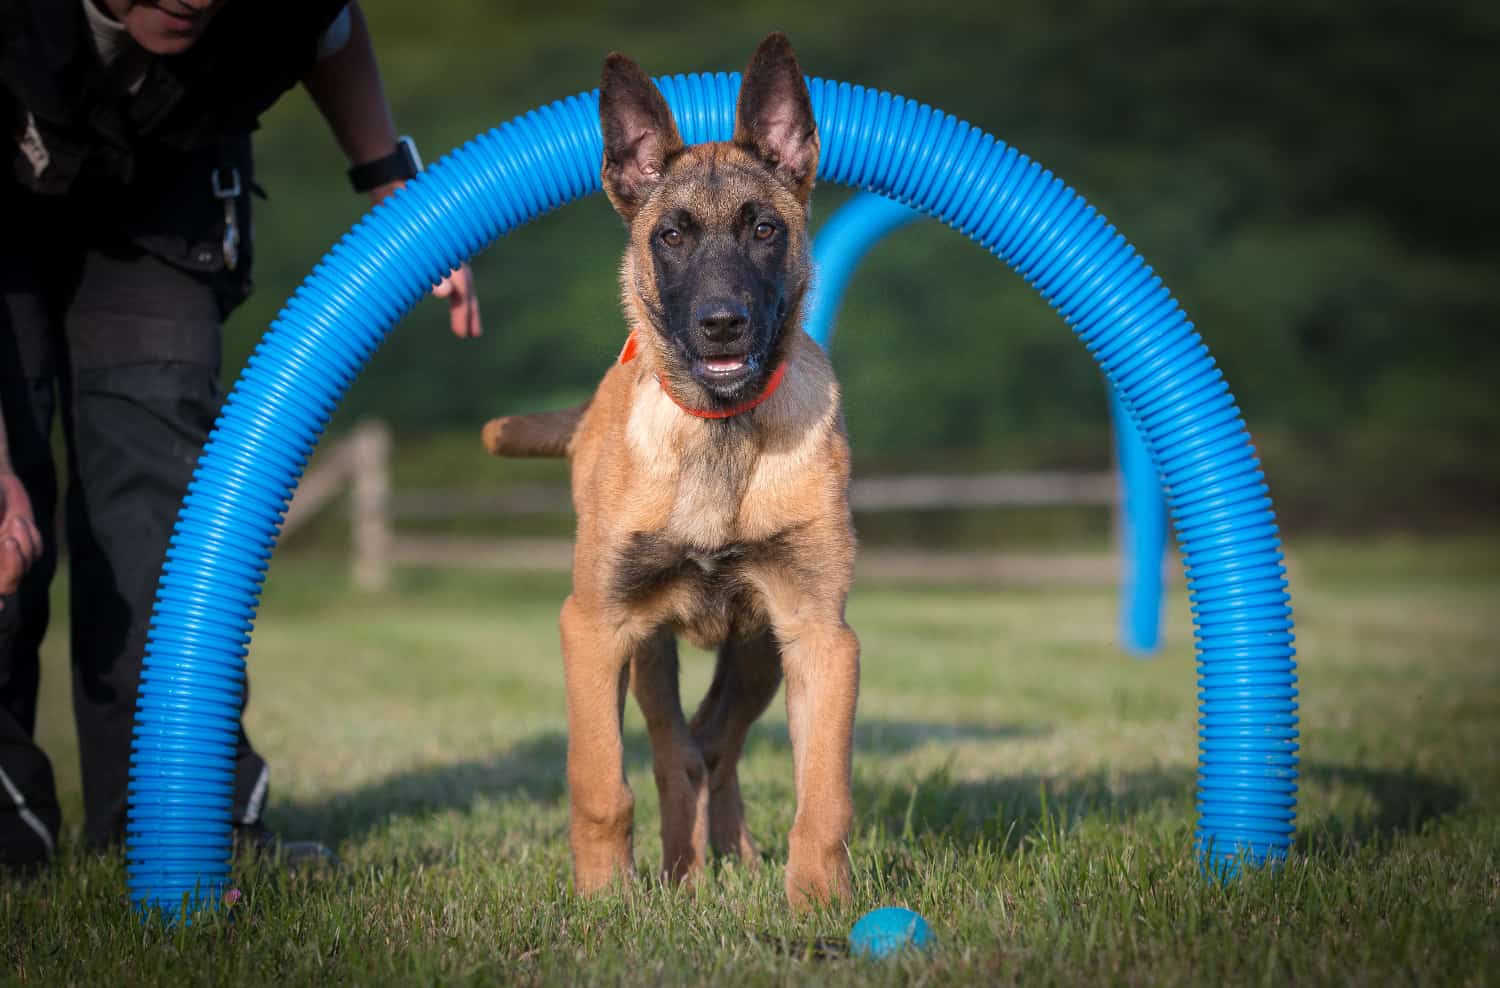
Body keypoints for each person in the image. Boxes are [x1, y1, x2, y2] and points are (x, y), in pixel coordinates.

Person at [0, 0, 482, 870]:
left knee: (163, 498)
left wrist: (393, 186)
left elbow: (323, 26)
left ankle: (173, 821)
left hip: (167, 178)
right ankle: (8, 822)